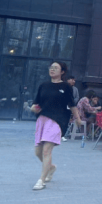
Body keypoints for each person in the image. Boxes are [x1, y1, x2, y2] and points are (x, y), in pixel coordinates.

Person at [30, 61, 82, 190]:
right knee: (38, 152)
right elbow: (36, 103)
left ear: (62, 72)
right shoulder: (43, 85)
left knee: (47, 150)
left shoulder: (66, 87)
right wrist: (33, 108)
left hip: (58, 121)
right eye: (51, 67)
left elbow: (72, 105)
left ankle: (41, 180)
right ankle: (51, 167)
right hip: (42, 120)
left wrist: (78, 118)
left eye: (55, 68)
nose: (52, 69)